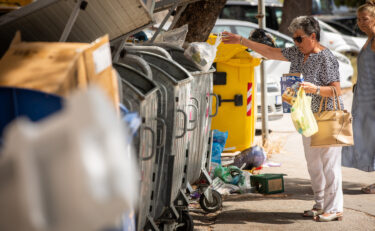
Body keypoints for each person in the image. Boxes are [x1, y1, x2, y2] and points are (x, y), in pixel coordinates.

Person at [222, 16, 344, 222]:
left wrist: (314, 89)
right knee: (313, 164)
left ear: (312, 36)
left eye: (299, 38)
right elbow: (270, 52)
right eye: (294, 39)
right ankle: (320, 203)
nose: (295, 43)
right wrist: (241, 41)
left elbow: (337, 91)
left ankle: (335, 208)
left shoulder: (326, 57)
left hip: (327, 115)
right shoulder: (298, 53)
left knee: (329, 164)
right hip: (306, 118)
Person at [342, 0, 375, 194]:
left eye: (365, 19)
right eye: (359, 19)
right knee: (370, 139)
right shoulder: (369, 38)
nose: (361, 23)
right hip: (365, 98)